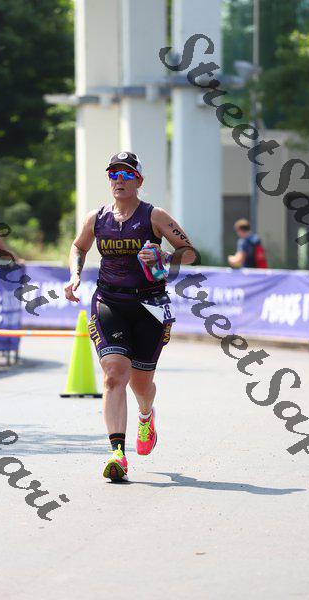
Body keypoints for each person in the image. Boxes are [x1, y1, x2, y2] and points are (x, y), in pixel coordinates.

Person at [64, 151, 196, 481]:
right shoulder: (96, 218)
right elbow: (79, 246)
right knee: (113, 375)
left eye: (126, 175)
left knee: (141, 383)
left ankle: (146, 414)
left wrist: (164, 257)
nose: (119, 180)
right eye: (114, 174)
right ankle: (118, 454)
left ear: (139, 181)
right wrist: (75, 274)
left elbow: (189, 252)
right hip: (109, 302)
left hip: (150, 306)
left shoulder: (155, 216)